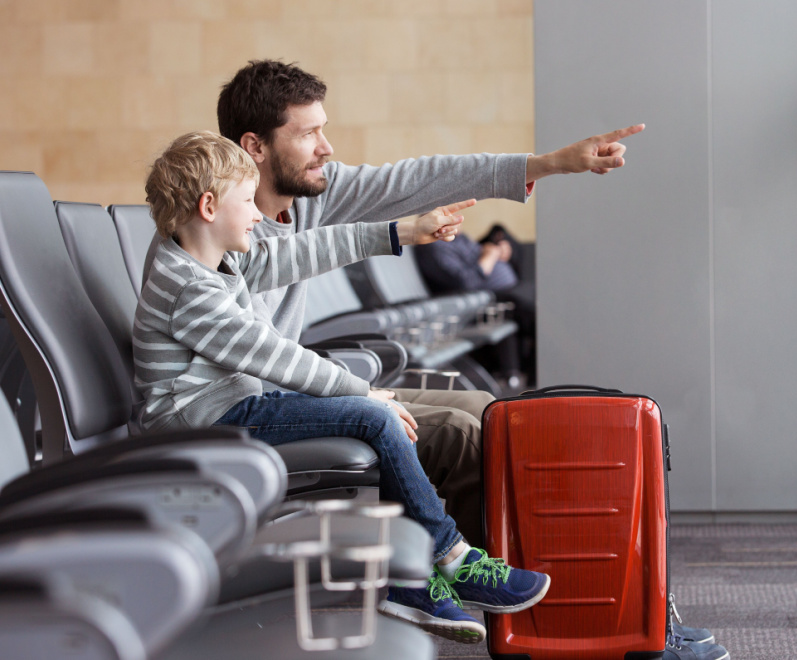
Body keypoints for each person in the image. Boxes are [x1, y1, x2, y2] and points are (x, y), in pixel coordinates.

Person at [191, 59, 645, 550]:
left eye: (324, 130)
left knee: (490, 411)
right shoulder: (217, 238)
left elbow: (418, 178)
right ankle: (500, 596)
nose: (327, 148)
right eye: (308, 135)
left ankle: (540, 580)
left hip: (307, 387)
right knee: (463, 434)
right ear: (254, 146)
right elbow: (260, 361)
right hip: (269, 406)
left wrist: (548, 164)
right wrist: (357, 390)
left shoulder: (310, 198)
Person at [133, 131, 549, 643]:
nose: (259, 215)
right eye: (248, 202)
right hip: (203, 427)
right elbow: (273, 356)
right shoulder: (189, 290)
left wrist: (396, 233)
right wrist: (361, 391)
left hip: (231, 409)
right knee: (371, 414)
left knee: (370, 412)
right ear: (209, 205)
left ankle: (410, 574)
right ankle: (450, 558)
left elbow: (301, 252)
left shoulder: (216, 258)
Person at [415, 228, 537, 386]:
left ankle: (529, 379)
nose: (459, 219)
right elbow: (466, 283)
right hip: (490, 297)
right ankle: (535, 380)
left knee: (539, 308)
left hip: (507, 292)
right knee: (540, 318)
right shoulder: (435, 246)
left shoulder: (459, 238)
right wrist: (489, 256)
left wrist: (497, 251)